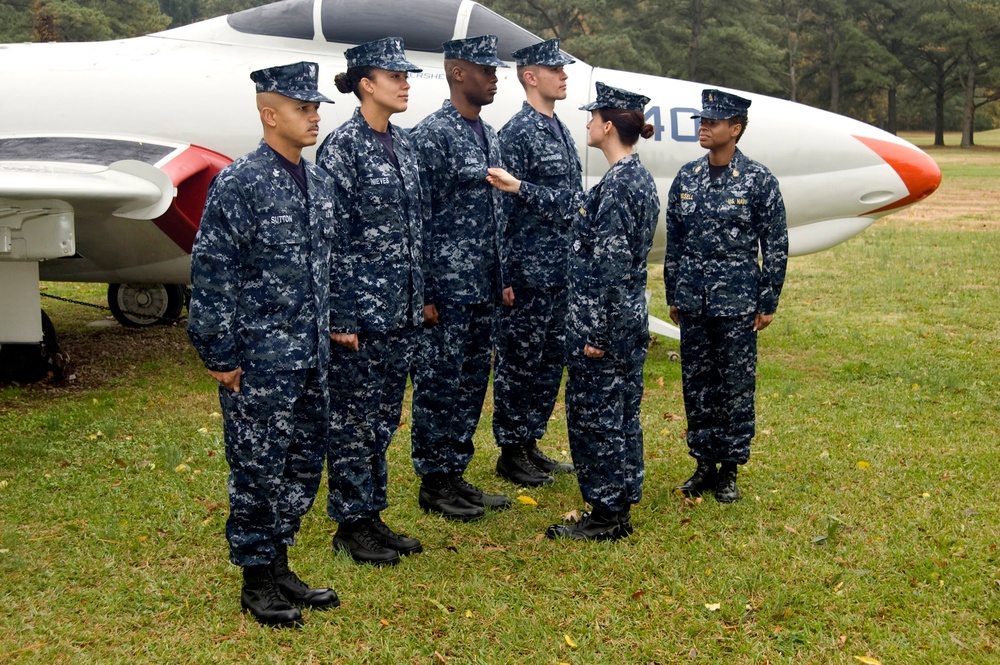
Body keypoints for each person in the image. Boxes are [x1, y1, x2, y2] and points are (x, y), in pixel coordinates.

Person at [187, 62, 341, 627]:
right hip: (261, 359)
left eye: (316, 107)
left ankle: (279, 562)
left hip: (311, 356)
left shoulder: (319, 182)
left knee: (302, 465)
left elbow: (327, 269)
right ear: (269, 114)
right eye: (303, 108)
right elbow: (212, 272)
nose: (314, 117)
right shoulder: (241, 182)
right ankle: (256, 578)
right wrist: (220, 355)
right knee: (257, 467)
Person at [487, 82, 660, 540]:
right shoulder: (631, 179)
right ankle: (619, 501)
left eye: (592, 118)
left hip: (603, 328)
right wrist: (519, 186)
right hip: (625, 321)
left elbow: (610, 267)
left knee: (596, 419)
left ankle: (606, 516)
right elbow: (576, 207)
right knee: (620, 414)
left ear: (607, 127)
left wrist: (597, 336)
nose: (585, 124)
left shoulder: (619, 188)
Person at [316, 38, 425, 566]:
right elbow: (330, 239)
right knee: (353, 420)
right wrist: (340, 316)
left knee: (382, 418)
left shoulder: (403, 146)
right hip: (361, 314)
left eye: (406, 76)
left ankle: (371, 515)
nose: (406, 83)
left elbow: (415, 232)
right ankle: (349, 524)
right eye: (395, 75)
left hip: (399, 312)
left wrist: (419, 300)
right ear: (366, 83)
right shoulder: (341, 148)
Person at [664, 89, 788, 503]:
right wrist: (673, 292)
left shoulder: (758, 180)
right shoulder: (686, 177)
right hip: (694, 300)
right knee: (697, 383)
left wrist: (767, 300)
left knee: (734, 385)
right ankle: (703, 464)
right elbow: (675, 241)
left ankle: (730, 468)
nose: (704, 127)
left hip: (737, 302)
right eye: (703, 120)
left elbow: (776, 242)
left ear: (735, 129)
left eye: (713, 122)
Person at [408, 35, 512, 521]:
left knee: (471, 382)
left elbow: (496, 213)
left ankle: (454, 472)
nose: (494, 77)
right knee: (439, 382)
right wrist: (425, 290)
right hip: (446, 291)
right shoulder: (432, 136)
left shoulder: (488, 134)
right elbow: (417, 218)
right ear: (456, 73)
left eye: (494, 70)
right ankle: (433, 481)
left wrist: (502, 276)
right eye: (484, 69)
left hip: (482, 287)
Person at [492, 38, 580, 488]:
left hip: (558, 270)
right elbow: (502, 207)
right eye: (555, 69)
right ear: (530, 76)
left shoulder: (561, 130)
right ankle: (510, 450)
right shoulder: (517, 133)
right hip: (526, 272)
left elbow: (571, 202)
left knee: (548, 360)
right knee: (519, 361)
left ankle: (529, 443)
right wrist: (505, 274)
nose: (564, 75)